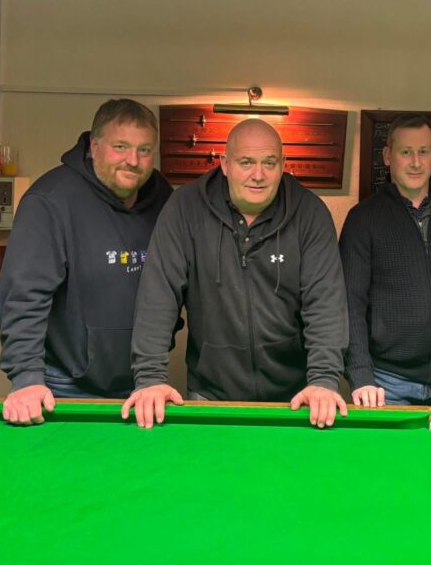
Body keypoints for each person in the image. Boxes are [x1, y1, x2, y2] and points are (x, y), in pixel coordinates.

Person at [123, 118, 349, 429]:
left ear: (283, 165)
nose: (258, 175)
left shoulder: (309, 213)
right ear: (225, 164)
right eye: (246, 162)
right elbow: (158, 296)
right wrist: (149, 378)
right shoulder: (185, 208)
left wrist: (323, 380)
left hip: (295, 398)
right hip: (211, 394)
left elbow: (325, 304)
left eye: (269, 163)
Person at [0, 99, 173, 425]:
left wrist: (152, 371)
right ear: (94, 147)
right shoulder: (49, 201)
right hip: (63, 384)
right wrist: (26, 376)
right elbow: (24, 296)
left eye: (145, 150)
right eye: (120, 147)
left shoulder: (164, 198)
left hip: (142, 383)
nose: (133, 160)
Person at [340, 114, 431, 407]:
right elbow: (350, 304)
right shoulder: (363, 219)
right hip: (386, 383)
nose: (416, 162)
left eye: (423, 151)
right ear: (387, 156)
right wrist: (361, 375)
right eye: (406, 152)